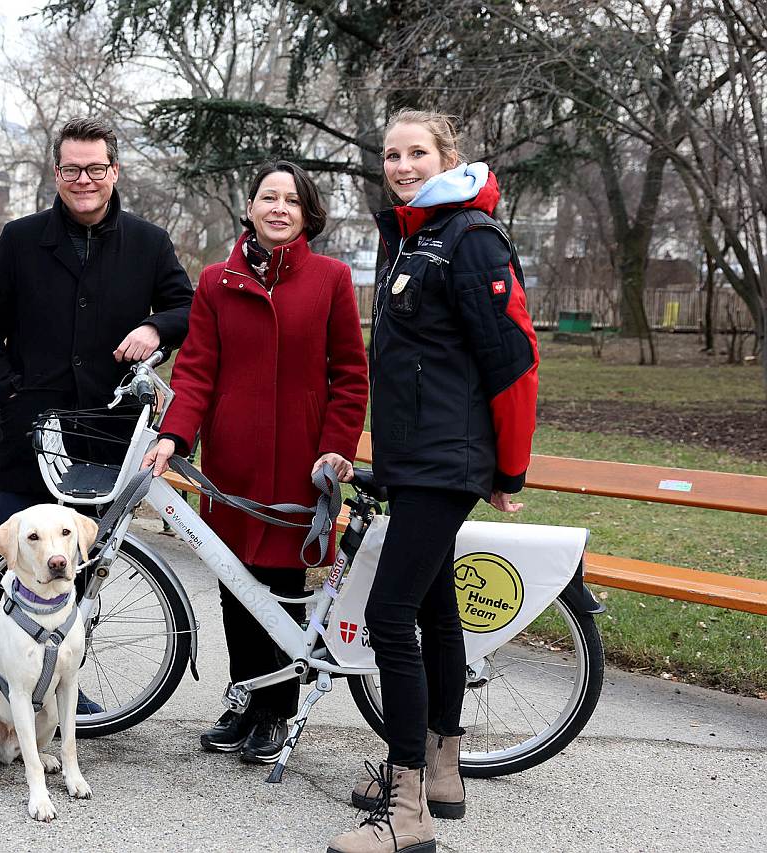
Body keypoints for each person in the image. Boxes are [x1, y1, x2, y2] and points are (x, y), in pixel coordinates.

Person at [325, 110, 539, 853]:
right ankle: (442, 770)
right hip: (417, 457)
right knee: (435, 613)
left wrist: (509, 467)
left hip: (447, 460)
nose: (403, 164)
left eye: (418, 152)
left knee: (390, 615)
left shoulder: (470, 240)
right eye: (390, 152)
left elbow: (513, 358)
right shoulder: (415, 235)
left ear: (449, 155)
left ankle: (407, 810)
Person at [141, 160, 369, 765]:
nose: (278, 208)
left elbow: (350, 375)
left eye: (291, 201)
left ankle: (279, 709)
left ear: (306, 214)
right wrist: (175, 437)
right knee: (233, 580)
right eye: (268, 196)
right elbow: (195, 371)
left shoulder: (331, 279)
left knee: (281, 586)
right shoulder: (216, 281)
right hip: (232, 462)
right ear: (249, 208)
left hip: (302, 460)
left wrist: (336, 446)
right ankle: (246, 697)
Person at [0, 116, 193, 524]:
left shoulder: (149, 243)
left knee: (85, 574)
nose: (83, 180)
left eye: (95, 169)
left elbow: (188, 309)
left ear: (114, 171)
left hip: (107, 439)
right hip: (30, 437)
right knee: (12, 573)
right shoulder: (20, 239)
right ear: (57, 174)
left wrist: (155, 328)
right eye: (72, 169)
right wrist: (9, 395)